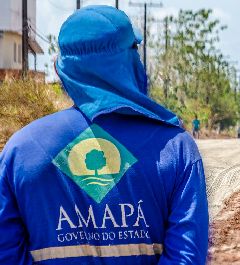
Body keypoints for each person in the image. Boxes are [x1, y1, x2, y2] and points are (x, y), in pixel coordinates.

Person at [0, 6, 208, 265]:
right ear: (129, 63)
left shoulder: (20, 150)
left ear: (62, 69)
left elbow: (6, 253)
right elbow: (186, 257)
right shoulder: (175, 148)